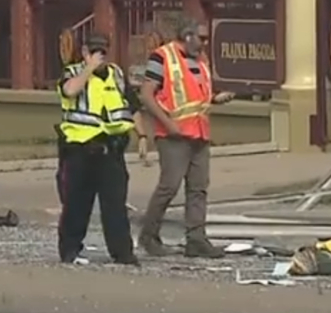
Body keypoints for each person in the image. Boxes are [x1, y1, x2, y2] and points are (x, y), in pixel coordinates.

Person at [137, 20, 235, 259]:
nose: (204, 44)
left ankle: (196, 240)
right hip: (174, 135)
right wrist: (169, 125)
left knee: (198, 188)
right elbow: (147, 95)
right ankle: (149, 236)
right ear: (187, 35)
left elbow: (193, 93)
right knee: (169, 186)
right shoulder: (162, 57)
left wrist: (215, 99)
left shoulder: (200, 59)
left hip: (199, 132)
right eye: (201, 38)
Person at [54, 33, 140, 266]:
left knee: (115, 205)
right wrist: (88, 68)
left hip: (110, 150)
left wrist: (141, 136)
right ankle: (70, 250)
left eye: (102, 51)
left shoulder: (117, 75)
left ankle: (123, 253)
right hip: (79, 150)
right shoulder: (73, 72)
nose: (99, 56)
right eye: (94, 51)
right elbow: (70, 91)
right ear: (84, 52)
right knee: (76, 204)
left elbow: (131, 106)